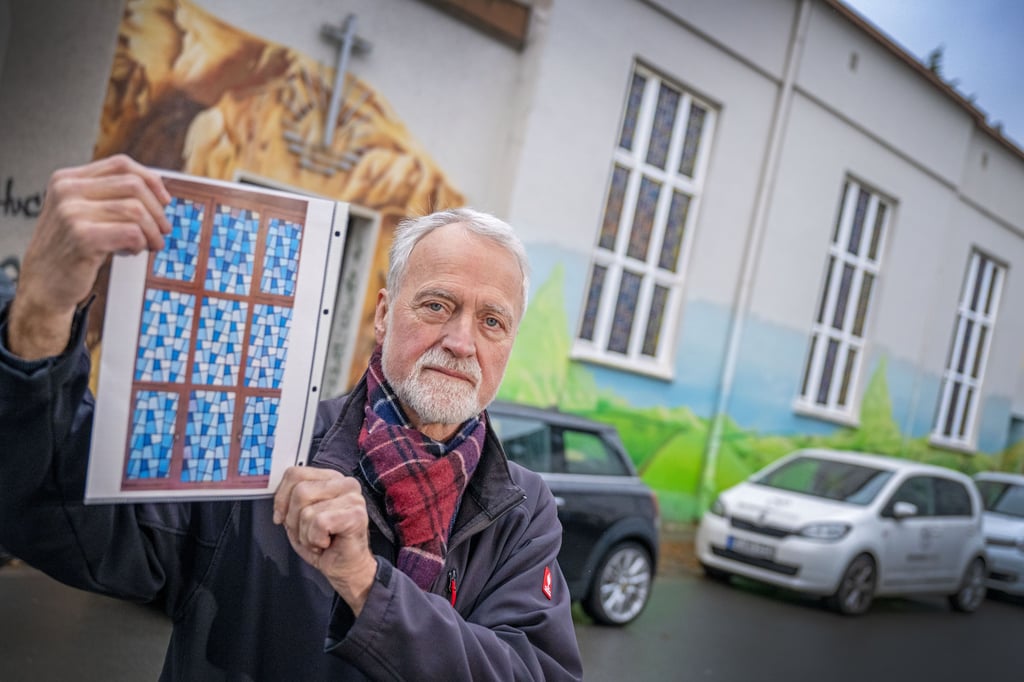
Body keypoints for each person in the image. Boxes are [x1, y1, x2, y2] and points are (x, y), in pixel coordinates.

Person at [0, 154, 583, 680]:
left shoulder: (523, 510)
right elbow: (59, 518)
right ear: (383, 315)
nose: (461, 341)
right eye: (437, 305)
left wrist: (365, 583)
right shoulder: (260, 442)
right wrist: (41, 316)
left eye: (492, 321)